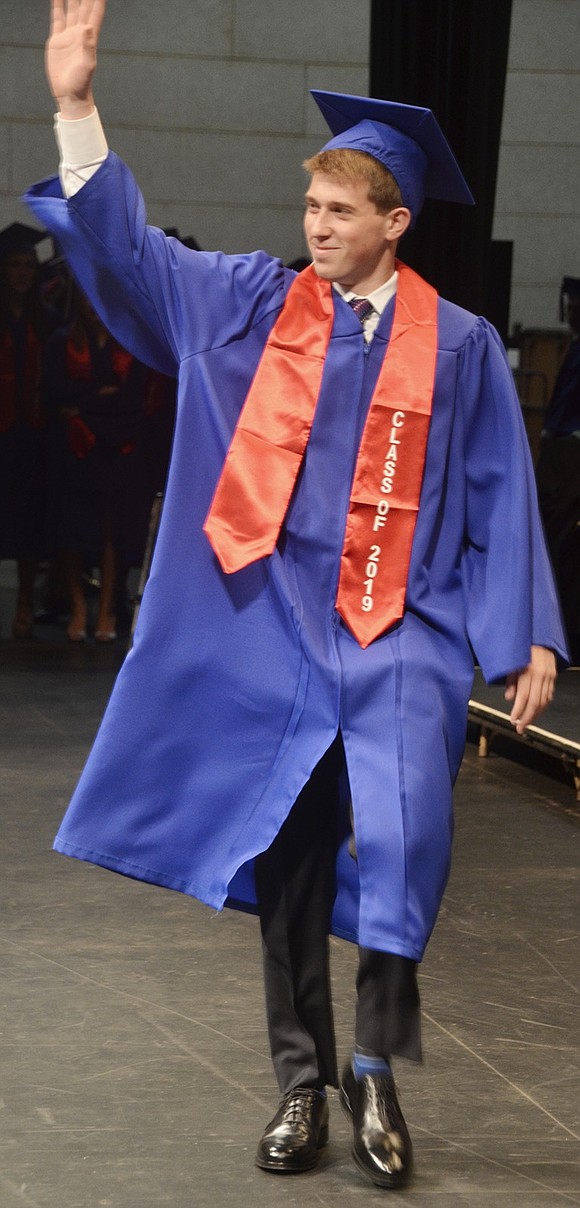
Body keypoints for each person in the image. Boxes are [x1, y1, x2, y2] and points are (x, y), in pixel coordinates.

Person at [26, 0, 567, 1191]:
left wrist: (524, 630)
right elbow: (131, 257)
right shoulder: (253, 305)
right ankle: (300, 1080)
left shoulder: (464, 344)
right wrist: (76, 112)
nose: (314, 227)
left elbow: (497, 484)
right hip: (272, 630)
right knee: (296, 861)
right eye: (309, 207)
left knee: (412, 836)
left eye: (337, 212)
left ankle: (376, 1063)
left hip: (400, 633)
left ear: (394, 223)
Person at [44, 284, 158, 642]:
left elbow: (130, 399)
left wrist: (82, 406)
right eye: (87, 297)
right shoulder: (62, 341)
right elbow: (53, 391)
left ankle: (107, 606)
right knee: (73, 531)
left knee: (113, 530)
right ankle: (79, 606)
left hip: (116, 450)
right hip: (75, 451)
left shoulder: (131, 343)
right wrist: (98, 397)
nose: (95, 305)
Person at [0, 222, 57, 637]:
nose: (22, 272)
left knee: (29, 525)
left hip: (34, 436)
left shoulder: (49, 320)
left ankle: (23, 605)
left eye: (28, 265)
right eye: (14, 265)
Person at [535, 276, 580, 664]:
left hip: (573, 451)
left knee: (562, 537)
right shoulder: (574, 347)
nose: (571, 313)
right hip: (560, 449)